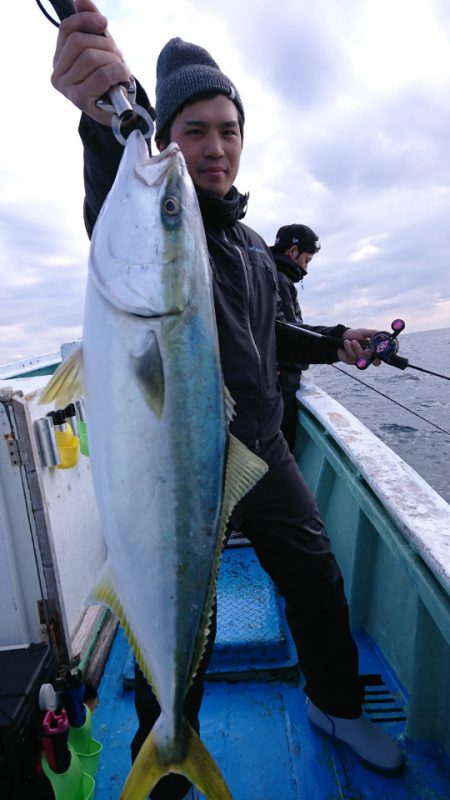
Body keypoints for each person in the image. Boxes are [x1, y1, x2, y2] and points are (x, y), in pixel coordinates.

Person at [51, 4, 403, 798]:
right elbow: (120, 176)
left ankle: (336, 706)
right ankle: (166, 750)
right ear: (166, 137)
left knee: (315, 577)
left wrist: (339, 337)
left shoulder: (248, 246)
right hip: (181, 459)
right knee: (175, 611)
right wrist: (104, 117)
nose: (215, 147)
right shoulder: (158, 217)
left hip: (260, 449)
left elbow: (270, 332)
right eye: (195, 129)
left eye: (228, 129)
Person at [270, 223, 320, 451]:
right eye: (307, 260)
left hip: (274, 379)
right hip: (281, 382)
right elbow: (290, 333)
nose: (306, 268)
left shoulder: (270, 272)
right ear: (292, 252)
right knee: (283, 446)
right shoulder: (280, 278)